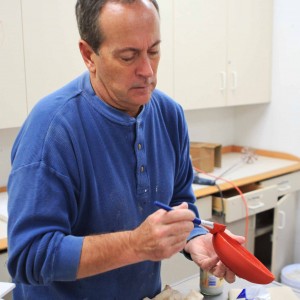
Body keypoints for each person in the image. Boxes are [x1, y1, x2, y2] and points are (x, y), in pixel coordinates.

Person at [7, 0, 244, 299]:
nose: (147, 71)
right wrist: (135, 244)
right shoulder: (51, 130)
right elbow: (29, 256)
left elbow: (180, 204)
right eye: (129, 56)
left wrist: (196, 238)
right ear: (88, 55)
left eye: (154, 51)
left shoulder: (169, 115)